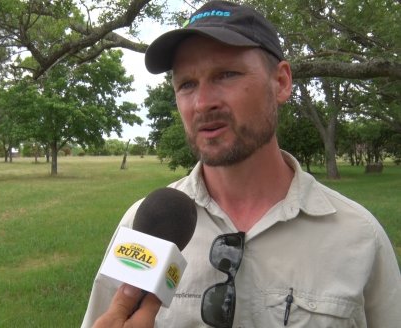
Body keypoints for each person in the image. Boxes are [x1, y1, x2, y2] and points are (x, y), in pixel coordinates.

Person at [82, 1, 401, 327]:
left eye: (226, 74)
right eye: (187, 85)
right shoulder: (146, 226)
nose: (203, 103)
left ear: (281, 82)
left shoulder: (359, 237)